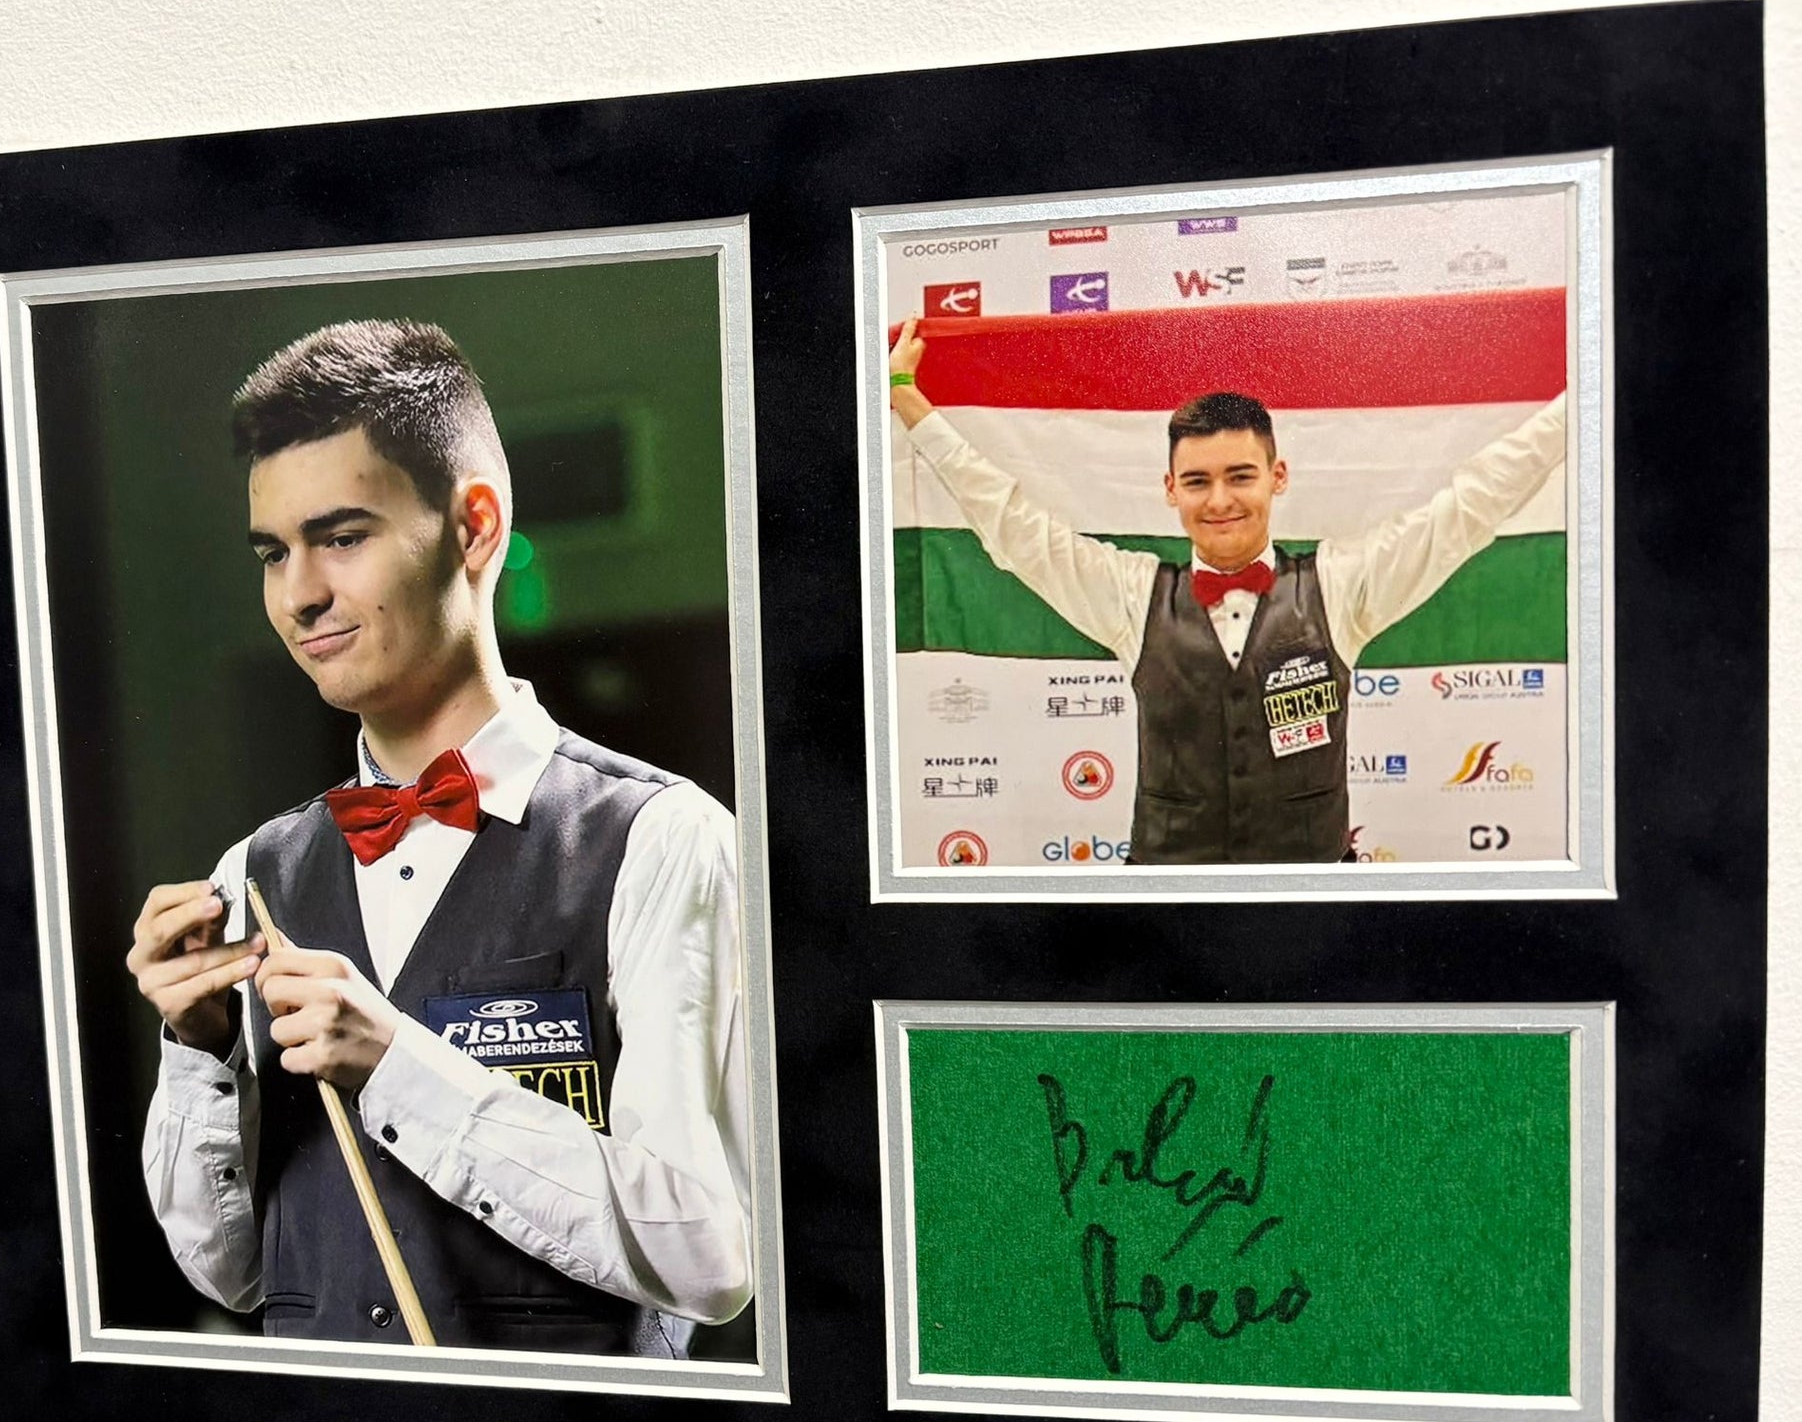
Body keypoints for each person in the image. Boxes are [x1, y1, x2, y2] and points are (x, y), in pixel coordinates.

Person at [128, 319, 752, 1356]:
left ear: (473, 527)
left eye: (342, 537)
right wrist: (199, 1050)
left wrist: (396, 1066)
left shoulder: (662, 840)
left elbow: (709, 1256)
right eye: (274, 553)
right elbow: (233, 1274)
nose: (299, 594)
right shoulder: (255, 874)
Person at [887, 315, 1569, 864]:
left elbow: (1471, 504)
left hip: (1312, 905)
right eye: (1197, 481)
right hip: (1167, 906)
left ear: (1278, 476)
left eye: (1240, 476)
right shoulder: (1130, 595)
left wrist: (1582, 399)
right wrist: (908, 400)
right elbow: (1011, 524)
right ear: (1170, 490)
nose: (1220, 500)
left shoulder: (1342, 585)